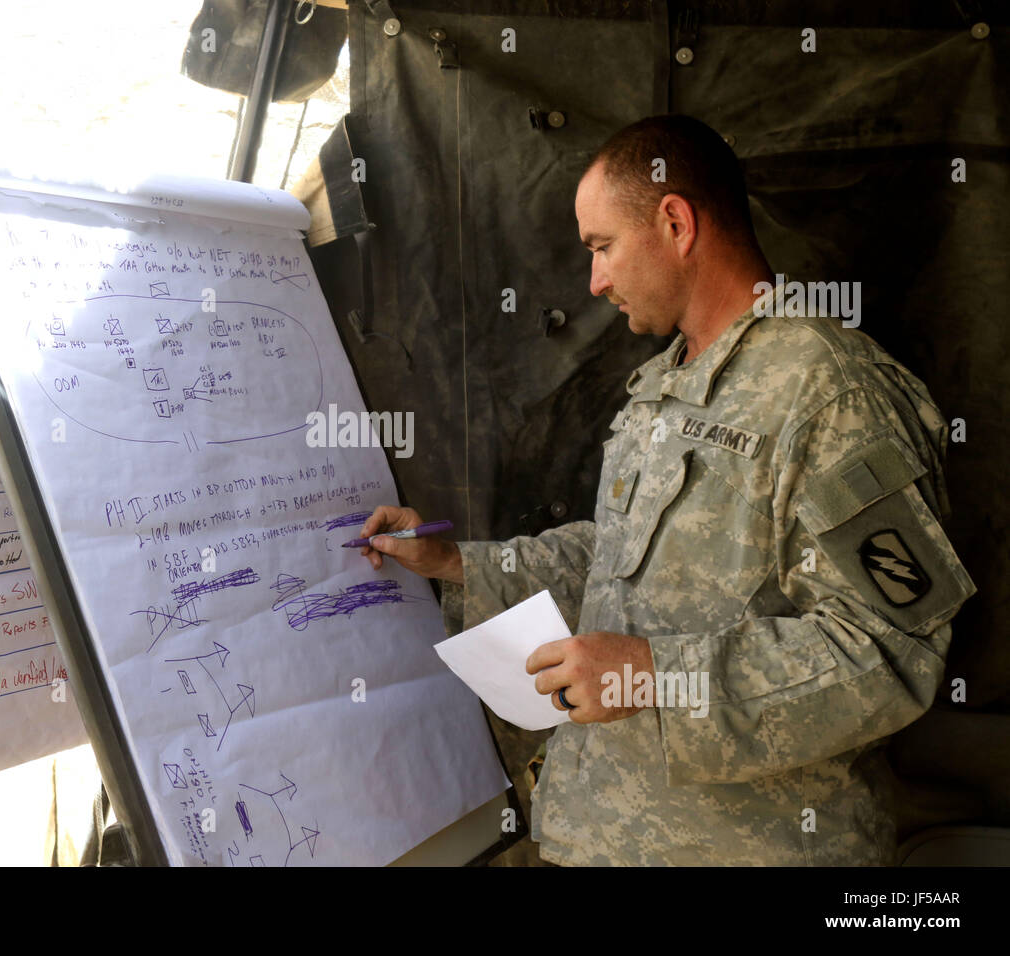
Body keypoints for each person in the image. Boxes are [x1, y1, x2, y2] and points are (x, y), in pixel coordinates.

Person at [358, 115, 977, 866]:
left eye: (602, 247)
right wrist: (457, 562)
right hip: (604, 837)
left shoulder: (833, 394)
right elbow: (617, 560)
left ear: (676, 223)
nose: (595, 282)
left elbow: (887, 652)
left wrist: (655, 675)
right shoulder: (664, 385)